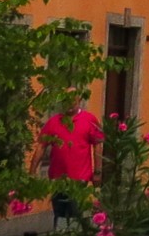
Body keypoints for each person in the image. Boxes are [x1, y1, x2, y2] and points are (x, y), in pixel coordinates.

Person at [37, 96, 104, 225]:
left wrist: (98, 171)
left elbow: (98, 145)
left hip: (79, 177)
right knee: (59, 212)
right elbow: (41, 146)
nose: (70, 104)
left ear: (79, 101)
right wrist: (33, 169)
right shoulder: (54, 122)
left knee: (75, 212)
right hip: (57, 177)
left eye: (73, 101)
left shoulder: (89, 120)